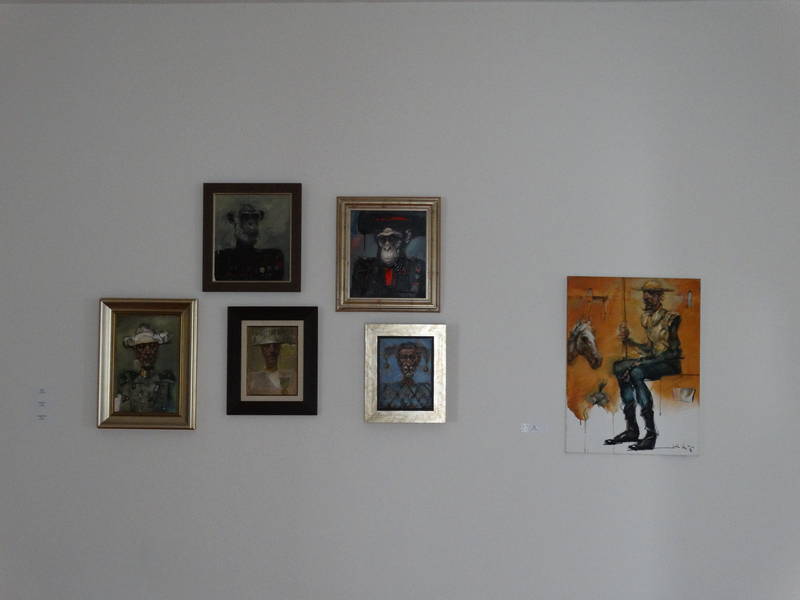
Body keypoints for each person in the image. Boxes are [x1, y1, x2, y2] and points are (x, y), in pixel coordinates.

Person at [605, 280, 682, 451]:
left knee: (636, 372)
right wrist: (629, 341)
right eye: (645, 294)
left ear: (659, 297)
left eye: (650, 295)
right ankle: (632, 429)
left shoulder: (672, 319)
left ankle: (651, 434)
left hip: (669, 364)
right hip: (654, 361)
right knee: (619, 367)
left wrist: (642, 362)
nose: (646, 298)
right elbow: (650, 349)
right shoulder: (647, 319)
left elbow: (673, 353)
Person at [350, 212, 426, 298]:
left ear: (407, 237)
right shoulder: (363, 269)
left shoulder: (417, 269)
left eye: (393, 239)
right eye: (382, 239)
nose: (387, 247)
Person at [214, 203, 284, 281]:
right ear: (233, 220)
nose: (251, 223)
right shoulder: (221, 258)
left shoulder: (272, 257)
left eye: (255, 217)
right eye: (245, 217)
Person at [115, 324, 176, 413]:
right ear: (136, 352)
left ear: (157, 350)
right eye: (141, 347)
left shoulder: (167, 383)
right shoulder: (126, 384)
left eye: (152, 346)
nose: (147, 352)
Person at [378, 341, 433, 410]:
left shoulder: (427, 389)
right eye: (403, 357)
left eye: (412, 357)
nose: (408, 361)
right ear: (398, 361)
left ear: (418, 360)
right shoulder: (385, 389)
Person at [246, 328, 297, 396]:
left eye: (275, 345)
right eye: (267, 346)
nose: (272, 350)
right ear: (262, 350)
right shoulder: (252, 379)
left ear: (280, 348)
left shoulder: (291, 375)